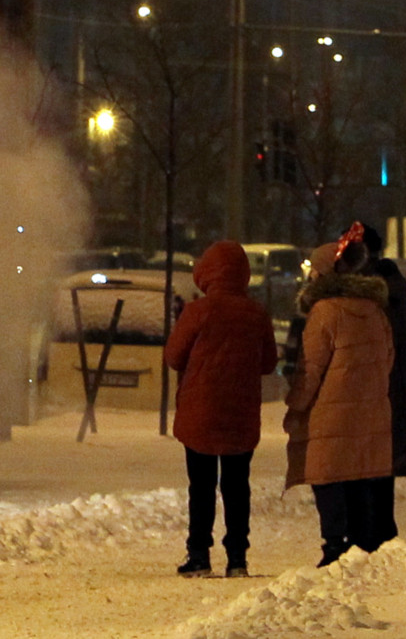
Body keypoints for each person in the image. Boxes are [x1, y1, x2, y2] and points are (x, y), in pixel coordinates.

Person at [165, 241, 279, 578]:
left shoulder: (198, 312)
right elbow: (269, 363)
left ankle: (199, 555)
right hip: (240, 414)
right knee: (236, 486)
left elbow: (173, 357)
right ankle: (237, 559)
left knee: (200, 487)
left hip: (200, 412)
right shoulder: (256, 313)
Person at [284, 225, 395, 566]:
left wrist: (296, 405)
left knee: (328, 478)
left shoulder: (324, 312)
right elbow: (388, 359)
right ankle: (361, 543)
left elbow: (311, 368)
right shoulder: (375, 310)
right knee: (360, 474)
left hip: (330, 412)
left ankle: (334, 544)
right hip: (371, 411)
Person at [359, 224, 406, 545]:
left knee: (362, 472)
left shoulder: (365, 300)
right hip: (391, 396)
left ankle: (367, 541)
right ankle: (381, 536)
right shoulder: (398, 295)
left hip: (364, 399)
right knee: (381, 475)